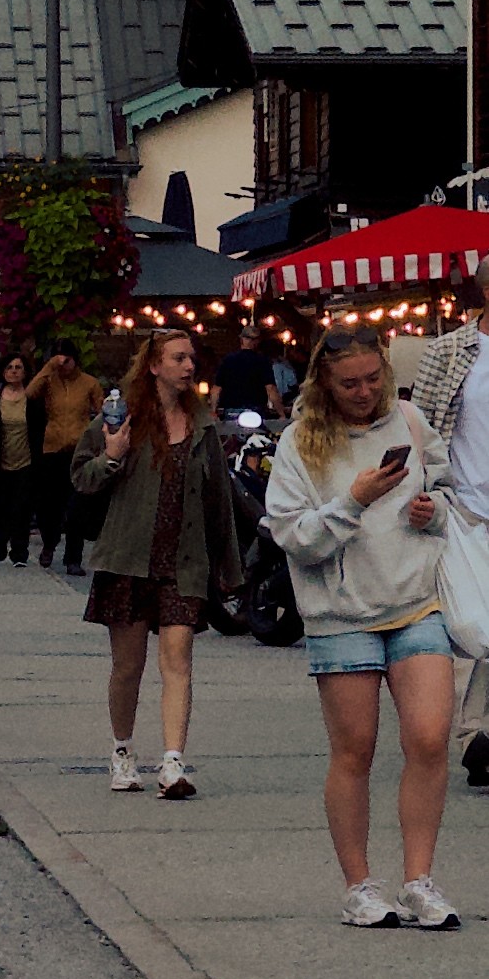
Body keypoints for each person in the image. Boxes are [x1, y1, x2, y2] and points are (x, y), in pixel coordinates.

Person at [262, 321, 459, 926]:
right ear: (324, 379)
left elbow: (453, 489)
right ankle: (358, 886)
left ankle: (419, 880)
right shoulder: (300, 442)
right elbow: (292, 534)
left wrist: (434, 510)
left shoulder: (410, 421)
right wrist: (354, 500)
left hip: (416, 601)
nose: (365, 390)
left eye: (375, 378)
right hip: (341, 612)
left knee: (428, 739)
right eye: (350, 382)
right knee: (355, 750)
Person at [70, 324, 242, 801]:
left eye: (192, 359)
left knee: (178, 661)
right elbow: (82, 478)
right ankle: (123, 751)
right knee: (128, 667)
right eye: (178, 359)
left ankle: (172, 763)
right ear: (153, 366)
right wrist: (111, 455)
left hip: (183, 562)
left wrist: (228, 569)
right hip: (128, 557)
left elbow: (219, 501)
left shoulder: (202, 424)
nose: (189, 367)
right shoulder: (120, 417)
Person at [413, 271, 489, 787]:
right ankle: (473, 731)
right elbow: (419, 426)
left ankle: (476, 733)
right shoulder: (450, 352)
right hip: (465, 509)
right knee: (475, 624)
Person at [30, 340, 106, 575]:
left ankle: (73, 557)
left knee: (77, 506)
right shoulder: (50, 381)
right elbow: (30, 393)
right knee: (48, 504)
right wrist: (49, 367)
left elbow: (104, 410)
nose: (64, 364)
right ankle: (49, 543)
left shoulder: (89, 383)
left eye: (67, 360)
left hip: (78, 450)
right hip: (52, 448)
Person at [0, 351, 37, 564]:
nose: (13, 371)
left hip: (26, 460)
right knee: (1, 506)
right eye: (10, 367)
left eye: (18, 367)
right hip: (0, 460)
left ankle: (20, 551)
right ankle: (1, 539)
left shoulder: (32, 397)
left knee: (22, 507)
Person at [214, 315, 279, 422]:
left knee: (232, 437)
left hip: (232, 410)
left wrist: (213, 410)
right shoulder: (262, 361)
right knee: (257, 438)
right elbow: (270, 389)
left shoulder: (228, 360)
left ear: (241, 339)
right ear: (257, 342)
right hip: (255, 411)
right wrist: (281, 413)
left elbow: (217, 389)